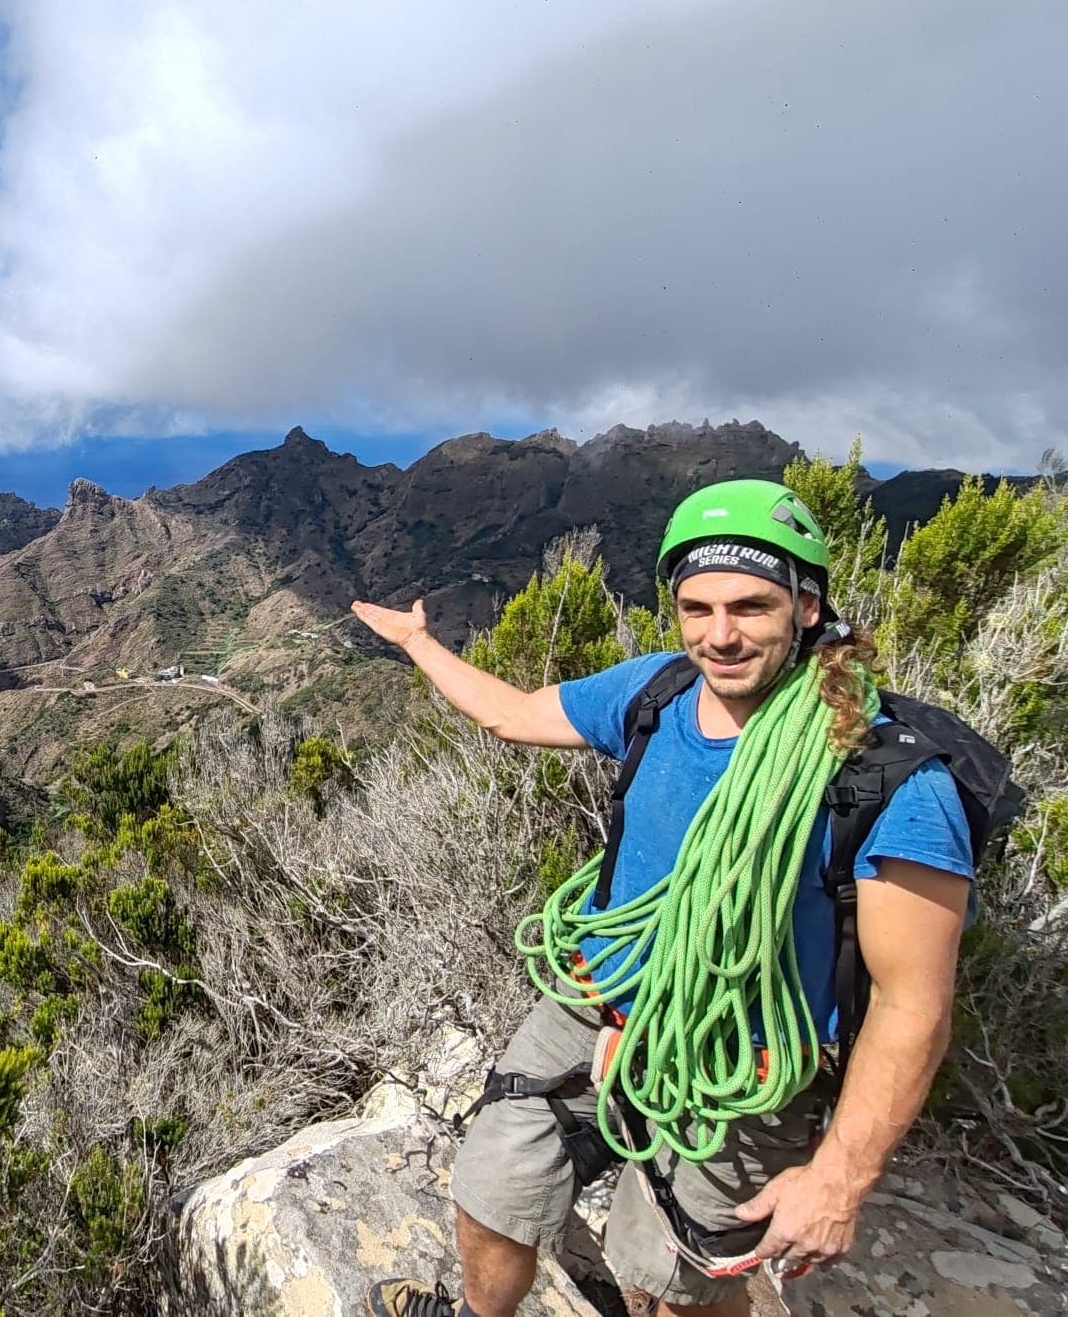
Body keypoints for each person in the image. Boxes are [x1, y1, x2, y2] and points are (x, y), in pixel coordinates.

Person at [347, 481, 974, 1317]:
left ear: (809, 606)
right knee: (493, 1190)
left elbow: (912, 1003)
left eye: (751, 606)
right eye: (697, 607)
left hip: (741, 1060)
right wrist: (418, 644)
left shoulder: (890, 781)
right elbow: (512, 715)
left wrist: (840, 1178)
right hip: (599, 1000)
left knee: (673, 1285)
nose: (720, 635)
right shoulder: (658, 693)